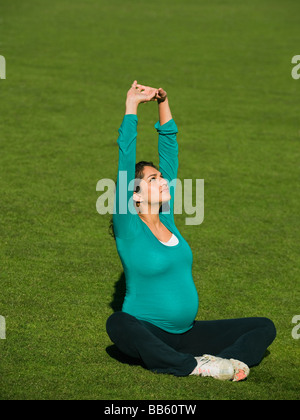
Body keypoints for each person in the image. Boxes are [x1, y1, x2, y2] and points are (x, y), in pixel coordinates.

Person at [106, 80, 276, 381]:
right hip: (150, 332)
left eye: (160, 177)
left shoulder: (167, 218)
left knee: (264, 326)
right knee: (118, 323)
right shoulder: (129, 227)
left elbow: (170, 149)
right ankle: (194, 367)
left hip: (189, 334)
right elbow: (125, 158)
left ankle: (231, 363)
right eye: (152, 179)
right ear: (134, 194)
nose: (161, 181)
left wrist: (162, 103)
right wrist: (131, 106)